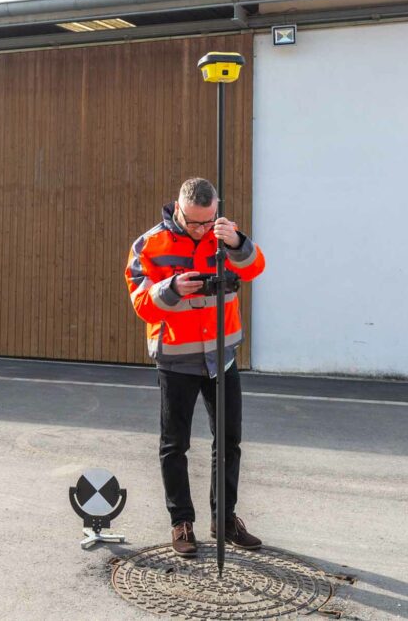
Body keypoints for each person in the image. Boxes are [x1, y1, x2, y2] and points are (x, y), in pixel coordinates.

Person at [124, 177, 266, 557]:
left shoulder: (226, 235)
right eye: (193, 222)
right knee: (175, 445)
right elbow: (140, 301)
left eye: (208, 220)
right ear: (178, 208)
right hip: (176, 359)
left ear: (216, 209)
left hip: (222, 357)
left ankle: (225, 519)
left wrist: (236, 242)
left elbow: (255, 269)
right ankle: (181, 522)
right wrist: (170, 288)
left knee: (228, 442)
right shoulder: (149, 244)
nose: (202, 229)